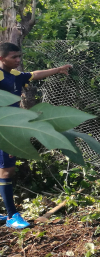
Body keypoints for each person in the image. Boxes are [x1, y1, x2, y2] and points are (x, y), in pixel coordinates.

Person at [0, 42, 73, 229]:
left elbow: (33, 75)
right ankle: (11, 216)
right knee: (7, 171)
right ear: (1, 58)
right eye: (13, 57)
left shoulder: (13, 75)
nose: (18, 60)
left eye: (19, 56)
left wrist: (58, 69)